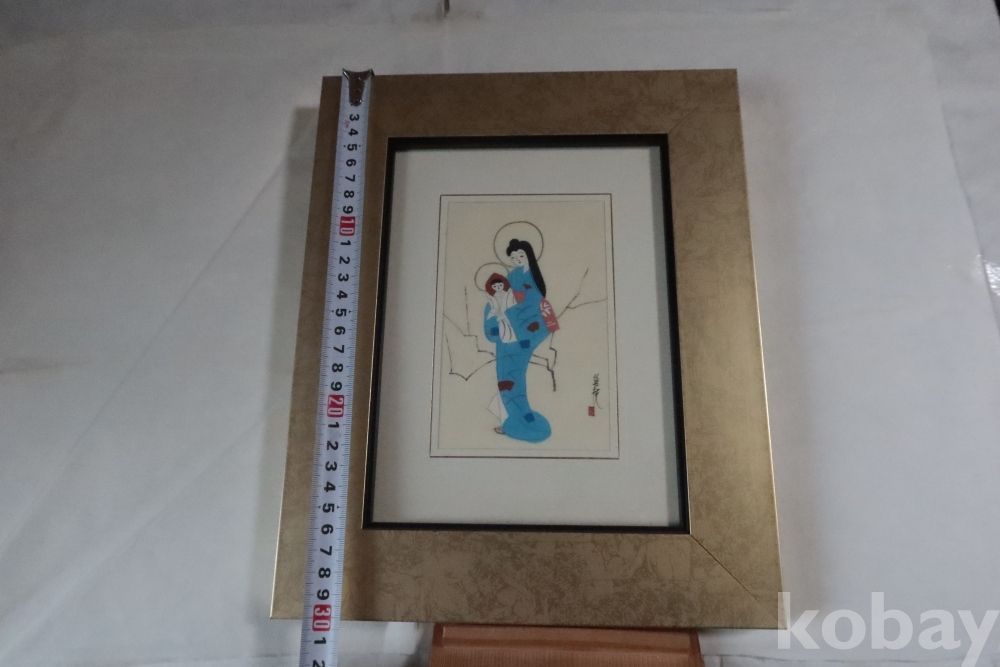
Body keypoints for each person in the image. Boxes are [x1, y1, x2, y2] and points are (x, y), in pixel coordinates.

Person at [483, 239, 553, 442]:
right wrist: (495, 319)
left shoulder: (532, 278)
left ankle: (520, 422)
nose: (517, 260)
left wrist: (514, 309)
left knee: (514, 378)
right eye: (513, 257)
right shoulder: (512, 275)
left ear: (529, 255)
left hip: (521, 337)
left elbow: (532, 306)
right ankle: (513, 419)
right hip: (505, 337)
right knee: (504, 376)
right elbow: (498, 298)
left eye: (521, 256)